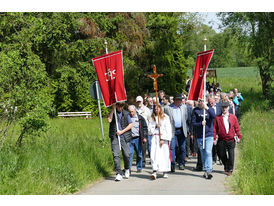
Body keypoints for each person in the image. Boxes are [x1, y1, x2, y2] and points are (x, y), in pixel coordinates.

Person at [214, 101, 242, 176]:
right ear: (221, 108)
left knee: (231, 154)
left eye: (226, 107)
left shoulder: (233, 117)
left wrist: (239, 136)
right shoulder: (217, 118)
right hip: (221, 139)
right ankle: (226, 165)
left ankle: (230, 169)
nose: (224, 109)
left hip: (231, 139)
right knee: (221, 154)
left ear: (228, 108)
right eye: (223, 107)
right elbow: (214, 129)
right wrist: (214, 138)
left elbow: (237, 128)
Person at [108, 102, 133, 181]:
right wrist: (112, 109)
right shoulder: (113, 113)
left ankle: (127, 168)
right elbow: (109, 120)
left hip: (124, 136)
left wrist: (122, 132)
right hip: (114, 137)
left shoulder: (126, 113)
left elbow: (130, 125)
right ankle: (119, 173)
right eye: (119, 106)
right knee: (116, 155)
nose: (120, 108)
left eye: (122, 106)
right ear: (116, 105)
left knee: (127, 154)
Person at [192, 99, 216, 179]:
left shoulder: (210, 109)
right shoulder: (195, 111)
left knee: (208, 152)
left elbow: (214, 116)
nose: (200, 102)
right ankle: (205, 169)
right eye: (199, 101)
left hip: (209, 135)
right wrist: (200, 124)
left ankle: (208, 170)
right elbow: (193, 123)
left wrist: (207, 108)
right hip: (200, 136)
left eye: (202, 101)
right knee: (203, 153)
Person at [164, 94, 188, 172]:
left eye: (180, 100)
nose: (179, 101)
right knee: (172, 148)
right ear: (174, 100)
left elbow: (186, 118)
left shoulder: (184, 107)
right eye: (177, 100)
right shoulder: (167, 108)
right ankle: (172, 164)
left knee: (182, 148)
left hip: (181, 130)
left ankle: (181, 163)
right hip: (172, 130)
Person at [148, 105, 172, 179]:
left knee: (163, 155)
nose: (156, 110)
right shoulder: (152, 118)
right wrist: (155, 126)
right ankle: (154, 171)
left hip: (162, 138)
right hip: (155, 137)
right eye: (155, 109)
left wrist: (163, 139)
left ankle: (164, 171)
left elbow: (168, 129)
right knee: (154, 155)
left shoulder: (165, 117)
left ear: (160, 109)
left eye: (158, 108)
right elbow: (149, 130)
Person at [128, 105, 148, 173]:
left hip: (138, 138)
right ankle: (129, 169)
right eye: (130, 112)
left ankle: (139, 167)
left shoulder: (140, 118)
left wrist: (145, 137)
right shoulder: (127, 118)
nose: (131, 113)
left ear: (135, 111)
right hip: (130, 139)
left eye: (132, 112)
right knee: (130, 154)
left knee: (139, 154)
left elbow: (145, 128)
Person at [136, 96, 151, 168]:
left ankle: (144, 160)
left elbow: (150, 120)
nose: (139, 103)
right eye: (137, 102)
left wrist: (150, 130)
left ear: (142, 102)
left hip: (145, 130)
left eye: (140, 101)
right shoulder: (135, 110)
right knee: (138, 146)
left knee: (144, 146)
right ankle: (139, 160)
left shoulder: (147, 110)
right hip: (137, 130)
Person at [208, 96, 222, 165]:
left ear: (214, 100)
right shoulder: (207, 108)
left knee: (220, 144)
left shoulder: (219, 107)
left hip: (219, 127)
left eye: (212, 102)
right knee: (213, 144)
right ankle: (214, 158)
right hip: (211, 128)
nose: (211, 103)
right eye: (209, 102)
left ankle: (220, 158)